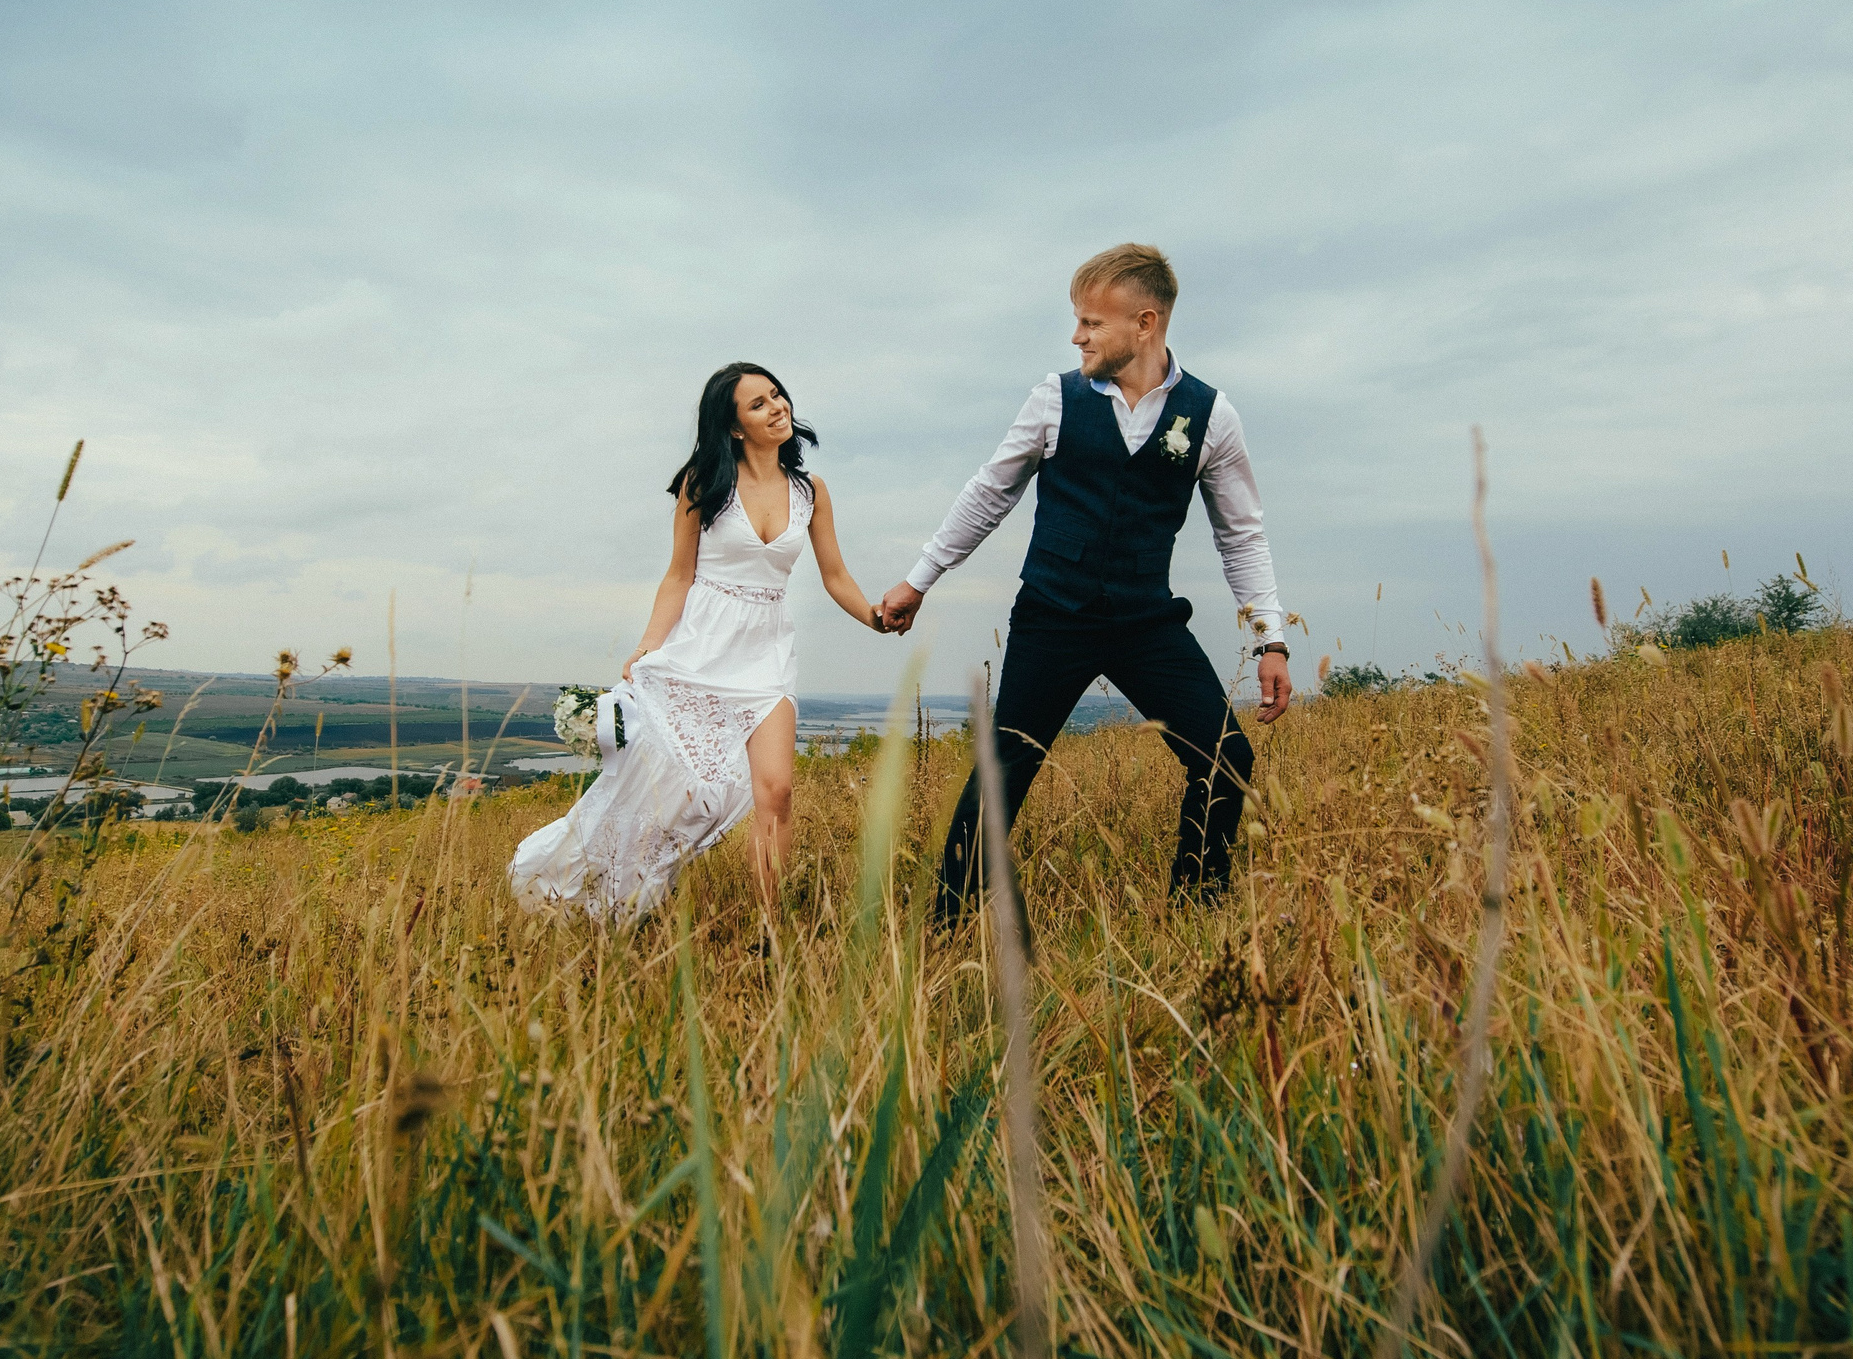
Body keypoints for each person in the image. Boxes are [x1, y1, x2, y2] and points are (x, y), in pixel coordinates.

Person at [877, 244, 1292, 924]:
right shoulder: (1054, 399)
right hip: (1054, 614)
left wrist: (1270, 638)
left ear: (1146, 323)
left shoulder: (1211, 416)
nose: (1078, 336)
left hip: (1144, 621)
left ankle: (1194, 913)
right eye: (1078, 321)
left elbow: (1241, 533)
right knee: (1006, 766)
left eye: (1093, 322)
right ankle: (945, 924)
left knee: (1226, 756)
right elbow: (989, 494)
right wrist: (920, 579)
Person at [509, 361, 889, 920]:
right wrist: (647, 646)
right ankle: (598, 883)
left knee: (777, 793)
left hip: (767, 656)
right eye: (757, 403)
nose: (777, 406)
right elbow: (678, 576)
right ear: (734, 427)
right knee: (664, 791)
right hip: (700, 649)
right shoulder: (704, 484)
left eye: (777, 394)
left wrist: (876, 618)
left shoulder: (811, 492)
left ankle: (772, 930)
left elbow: (835, 576)